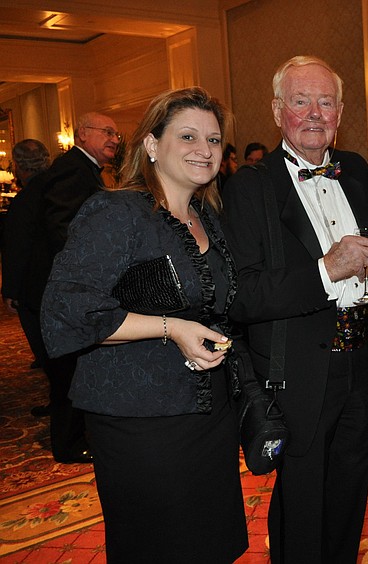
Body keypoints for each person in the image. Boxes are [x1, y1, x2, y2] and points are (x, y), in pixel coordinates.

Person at [40, 87, 247, 561]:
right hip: (140, 418)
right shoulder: (117, 212)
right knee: (159, 546)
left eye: (214, 140)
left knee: (209, 543)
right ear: (152, 145)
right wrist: (171, 327)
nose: (204, 149)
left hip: (209, 414)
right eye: (188, 136)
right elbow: (65, 308)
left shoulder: (206, 217)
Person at [222, 55, 368, 563]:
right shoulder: (250, 185)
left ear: (340, 113)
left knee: (350, 495)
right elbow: (242, 294)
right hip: (299, 368)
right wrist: (325, 270)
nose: (314, 113)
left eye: (326, 102)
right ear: (277, 111)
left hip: (363, 362)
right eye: (300, 101)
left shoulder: (358, 173)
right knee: (302, 500)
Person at [40, 112, 120, 463]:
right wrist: (92, 271)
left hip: (74, 281)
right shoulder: (74, 169)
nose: (114, 139)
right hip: (69, 285)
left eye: (116, 134)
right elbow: (62, 227)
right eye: (107, 132)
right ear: (83, 134)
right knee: (68, 369)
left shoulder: (85, 168)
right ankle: (69, 444)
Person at [2, 139, 52, 379]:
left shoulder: (24, 200)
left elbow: (17, 249)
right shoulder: (60, 190)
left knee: (43, 343)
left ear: (18, 166)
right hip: (60, 277)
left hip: (34, 285)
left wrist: (10, 290)